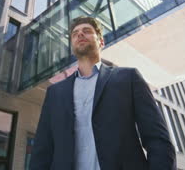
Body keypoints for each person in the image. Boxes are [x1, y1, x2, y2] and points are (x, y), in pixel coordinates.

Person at [30, 16, 176, 170]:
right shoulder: (55, 92)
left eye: (87, 31)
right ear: (72, 46)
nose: (80, 34)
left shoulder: (129, 78)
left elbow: (158, 140)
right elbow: (42, 151)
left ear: (101, 42)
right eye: (75, 33)